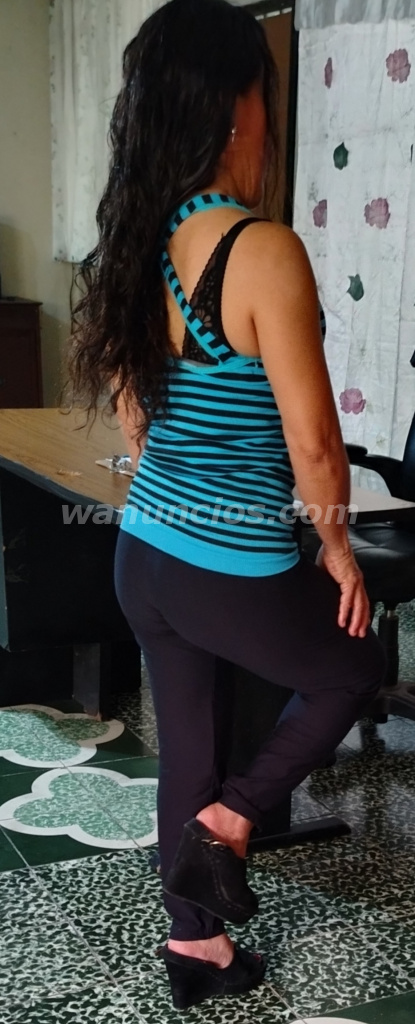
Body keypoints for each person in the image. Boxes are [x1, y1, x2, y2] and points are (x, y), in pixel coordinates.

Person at [68, 0, 385, 1010]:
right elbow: (314, 442)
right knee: (355, 665)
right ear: (237, 107)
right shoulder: (260, 248)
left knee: (189, 744)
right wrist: (337, 550)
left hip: (143, 554)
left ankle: (195, 947)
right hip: (226, 563)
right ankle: (233, 820)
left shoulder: (137, 241)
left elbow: (135, 420)